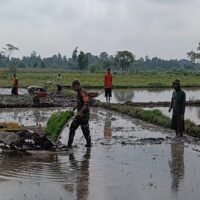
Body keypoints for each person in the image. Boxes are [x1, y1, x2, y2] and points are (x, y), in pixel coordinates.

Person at [67, 80, 91, 148]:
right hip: (79, 116)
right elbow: (79, 102)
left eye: (73, 87)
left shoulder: (83, 92)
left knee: (86, 132)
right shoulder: (78, 92)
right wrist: (74, 108)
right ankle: (69, 145)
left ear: (77, 85)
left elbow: (86, 104)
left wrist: (80, 112)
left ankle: (89, 146)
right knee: (72, 128)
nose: (73, 89)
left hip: (84, 116)